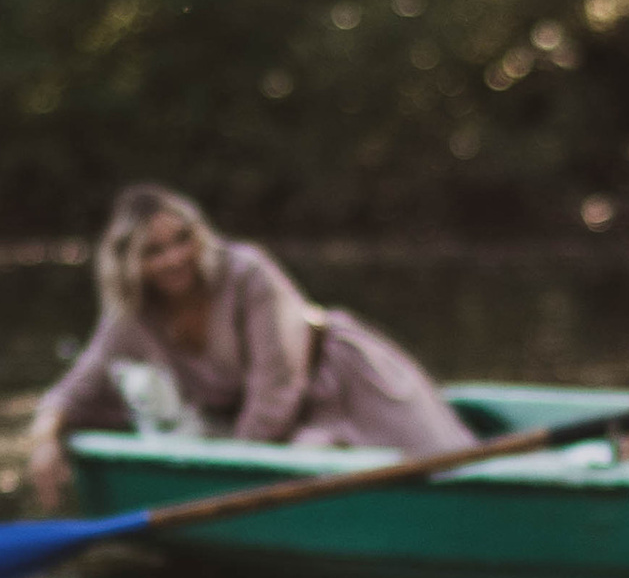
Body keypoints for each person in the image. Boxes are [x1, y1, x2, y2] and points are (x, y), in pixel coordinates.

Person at [27, 185, 470, 507]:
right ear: (128, 262)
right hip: (287, 430)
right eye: (153, 250)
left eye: (183, 239)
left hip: (347, 384)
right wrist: (45, 440)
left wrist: (229, 474)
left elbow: (276, 388)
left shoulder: (249, 273)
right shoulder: (131, 317)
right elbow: (75, 389)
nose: (174, 257)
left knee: (448, 470)